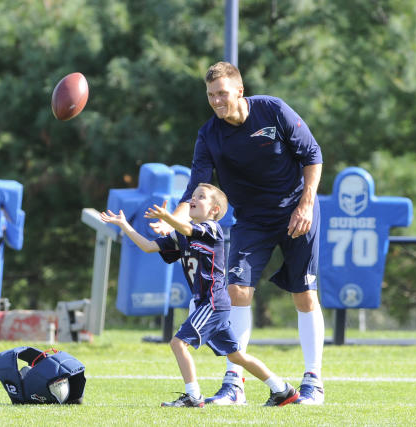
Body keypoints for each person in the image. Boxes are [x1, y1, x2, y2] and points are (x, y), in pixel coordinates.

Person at [150, 62, 325, 406]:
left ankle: (313, 381)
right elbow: (195, 185)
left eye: (222, 94)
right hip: (251, 220)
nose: (216, 101)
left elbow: (313, 155)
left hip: (297, 211)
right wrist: (172, 219)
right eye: (211, 95)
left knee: (304, 296)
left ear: (240, 91)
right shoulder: (208, 134)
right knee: (236, 291)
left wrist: (305, 205)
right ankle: (235, 384)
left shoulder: (272, 110)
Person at [101, 183, 299, 407]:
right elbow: (148, 246)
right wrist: (124, 224)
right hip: (210, 303)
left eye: (201, 197)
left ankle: (193, 396)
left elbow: (188, 229)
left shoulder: (212, 229)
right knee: (235, 356)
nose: (193, 199)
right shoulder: (181, 235)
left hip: (213, 302)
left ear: (214, 210)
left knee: (178, 343)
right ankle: (282, 390)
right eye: (193, 196)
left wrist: (167, 217)